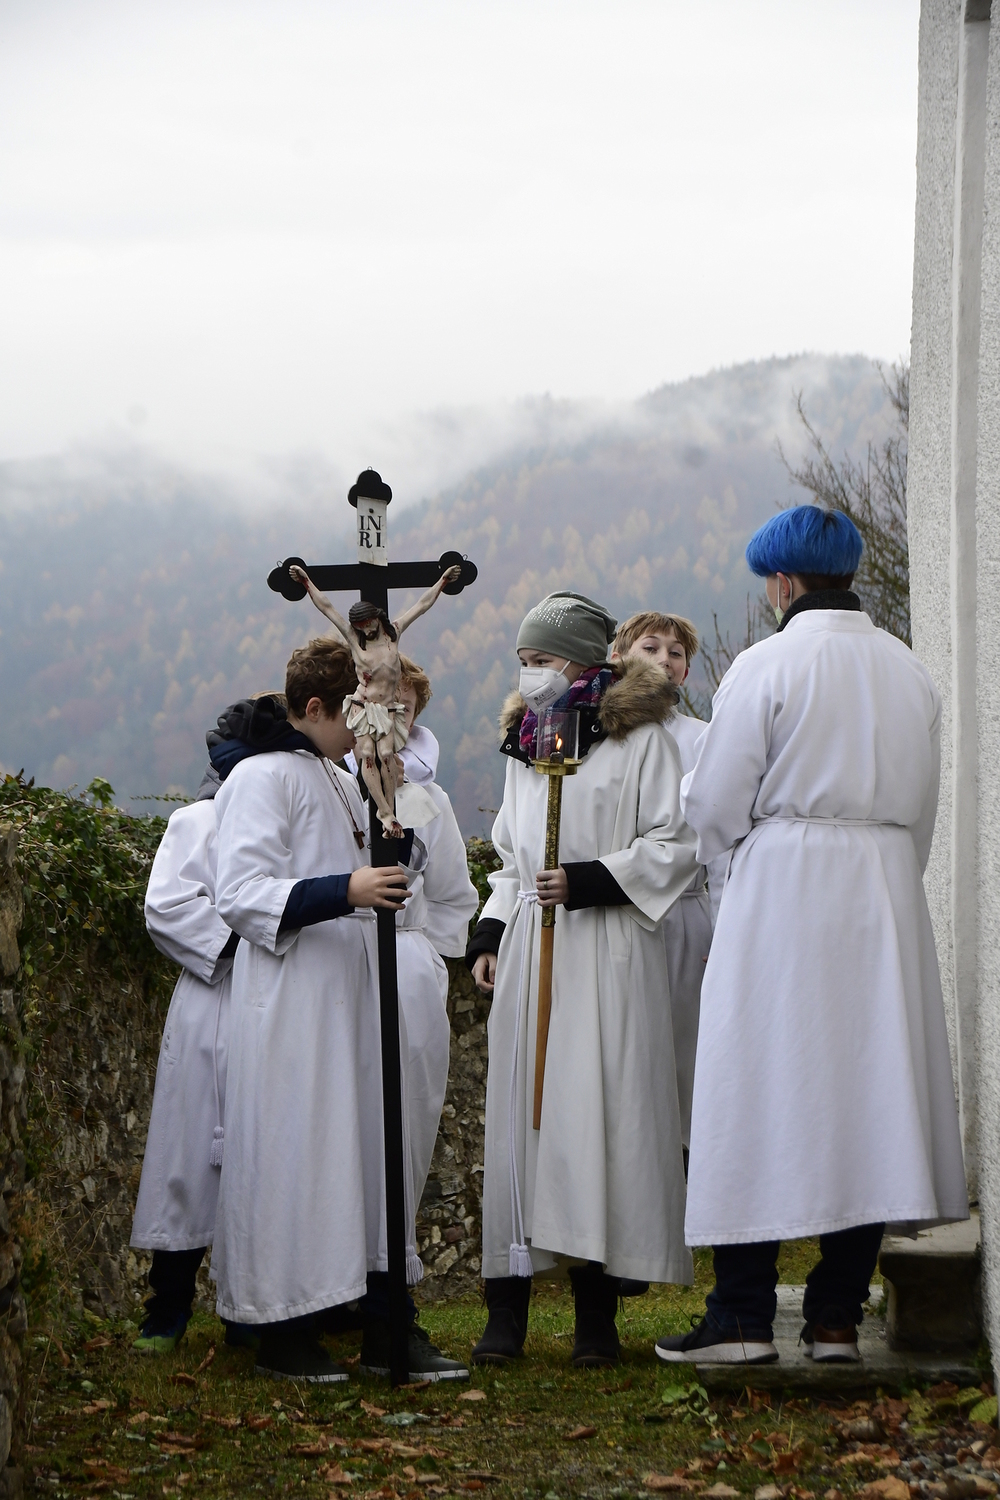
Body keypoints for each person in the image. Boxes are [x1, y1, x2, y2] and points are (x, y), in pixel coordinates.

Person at [655, 506, 968, 1368]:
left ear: (783, 582)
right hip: (881, 884)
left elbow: (715, 804)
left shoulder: (766, 665)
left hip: (784, 889)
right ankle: (835, 1319)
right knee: (868, 1091)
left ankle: (742, 1318)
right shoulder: (908, 668)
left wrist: (734, 845)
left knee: (755, 1084)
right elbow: (923, 809)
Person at [211, 637, 468, 1382]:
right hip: (293, 998)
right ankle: (284, 1327)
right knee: (294, 1152)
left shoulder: (338, 776)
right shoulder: (261, 776)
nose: (367, 733)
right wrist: (344, 890)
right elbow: (240, 891)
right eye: (357, 715)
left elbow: (385, 872)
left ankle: (384, 1323)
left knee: (364, 1156)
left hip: (352, 994)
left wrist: (390, 840)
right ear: (319, 706)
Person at [466, 591, 699, 1368]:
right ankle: (507, 1309)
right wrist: (492, 932)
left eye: (541, 660)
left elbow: (674, 843)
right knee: (521, 1126)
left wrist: (592, 879)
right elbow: (511, 856)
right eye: (523, 661)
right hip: (534, 946)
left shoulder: (643, 739)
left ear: (580, 662)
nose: (529, 675)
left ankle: (596, 1314)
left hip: (606, 948)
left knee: (598, 1118)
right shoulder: (525, 743)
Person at [130, 733, 254, 1354]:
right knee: (187, 1160)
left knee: (262, 1156)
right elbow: (167, 905)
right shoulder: (197, 821)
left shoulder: (286, 821)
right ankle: (169, 1304)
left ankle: (250, 1308)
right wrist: (242, 942)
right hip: (212, 1002)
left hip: (273, 1004)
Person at [611, 611, 714, 1145]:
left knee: (687, 1053)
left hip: (686, 915)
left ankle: (691, 1163)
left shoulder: (703, 739)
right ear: (619, 658)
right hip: (618, 912)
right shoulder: (602, 738)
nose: (664, 659)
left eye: (676, 653)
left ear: (686, 672)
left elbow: (719, 835)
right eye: (650, 648)